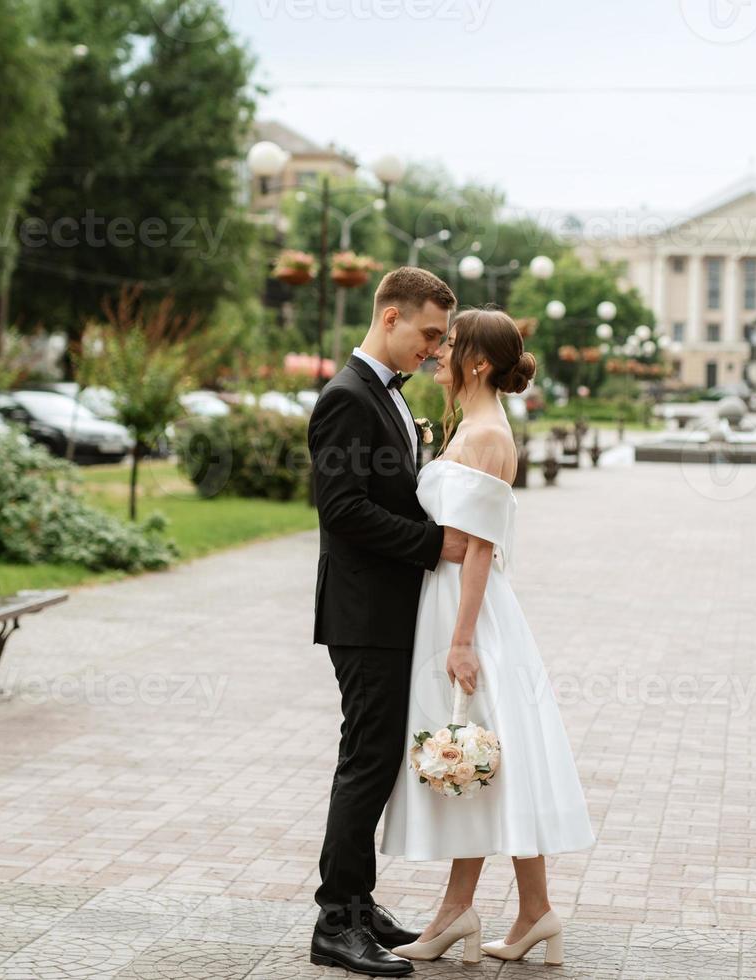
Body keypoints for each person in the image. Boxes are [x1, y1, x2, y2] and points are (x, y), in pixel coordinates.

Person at [382, 308, 596, 967]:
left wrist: (461, 641)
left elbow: (478, 549)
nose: (439, 353)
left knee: (483, 757)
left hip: (467, 612)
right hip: (461, 607)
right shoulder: (475, 426)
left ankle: (469, 913)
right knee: (495, 761)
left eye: (451, 345)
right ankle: (531, 913)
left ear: (477, 362)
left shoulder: (483, 434)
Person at [307, 267, 471, 978]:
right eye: (430, 335)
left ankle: (358, 902)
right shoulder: (346, 399)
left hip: (389, 610)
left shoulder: (386, 396)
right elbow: (342, 511)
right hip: (364, 614)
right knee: (365, 763)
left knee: (374, 764)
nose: (435, 351)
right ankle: (335, 921)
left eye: (442, 339)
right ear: (391, 316)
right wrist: (437, 546)